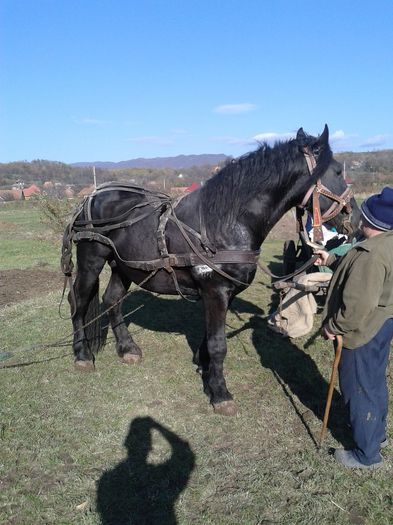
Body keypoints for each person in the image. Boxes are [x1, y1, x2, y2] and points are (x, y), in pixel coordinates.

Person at [319, 187, 393, 469]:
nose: (359, 216)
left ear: (372, 220)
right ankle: (377, 436)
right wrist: (329, 259)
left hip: (362, 329)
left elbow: (358, 305)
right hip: (383, 323)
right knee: (373, 381)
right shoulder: (385, 244)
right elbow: (357, 266)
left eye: (364, 212)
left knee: (359, 387)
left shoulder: (370, 253)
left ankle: (366, 454)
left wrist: (334, 327)